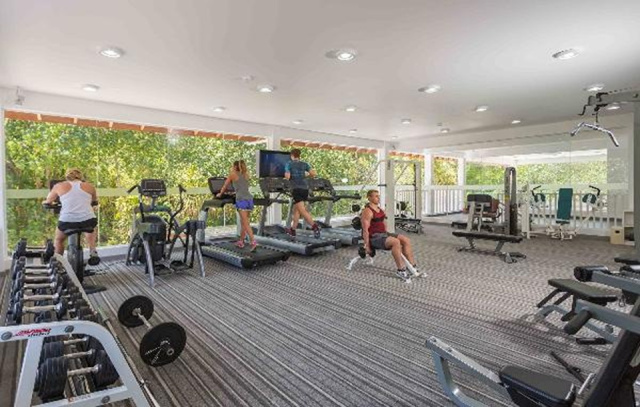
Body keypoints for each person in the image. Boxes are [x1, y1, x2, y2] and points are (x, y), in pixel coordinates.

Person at [360, 189, 423, 281]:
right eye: (376, 196)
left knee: (405, 240)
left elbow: (383, 223)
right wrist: (367, 246)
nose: (378, 198)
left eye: (378, 196)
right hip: (374, 237)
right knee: (395, 242)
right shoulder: (367, 211)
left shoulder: (380, 210)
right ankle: (401, 270)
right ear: (369, 198)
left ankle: (412, 267)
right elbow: (365, 230)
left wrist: (387, 234)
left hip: (383, 234)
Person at [43, 168, 100, 265]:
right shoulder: (89, 186)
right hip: (87, 221)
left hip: (67, 221)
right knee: (91, 226)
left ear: (67, 176)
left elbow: (48, 201)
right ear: (80, 176)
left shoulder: (59, 186)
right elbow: (94, 201)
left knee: (59, 239)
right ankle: (92, 250)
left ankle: (58, 263)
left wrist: (46, 202)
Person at [217, 160, 258, 251]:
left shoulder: (233, 174)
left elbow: (225, 186)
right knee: (244, 222)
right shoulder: (246, 174)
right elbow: (243, 187)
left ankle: (253, 242)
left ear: (235, 167)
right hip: (249, 200)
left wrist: (220, 194)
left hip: (241, 200)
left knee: (246, 223)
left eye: (233, 166)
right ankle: (241, 241)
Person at [284, 148, 321, 238]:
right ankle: (293, 230)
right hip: (305, 189)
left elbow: (287, 176)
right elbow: (313, 174)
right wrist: (304, 175)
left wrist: (286, 178)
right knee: (296, 210)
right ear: (299, 156)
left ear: (292, 155)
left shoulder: (289, 164)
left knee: (302, 211)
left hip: (296, 189)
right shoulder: (305, 164)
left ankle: (315, 226)